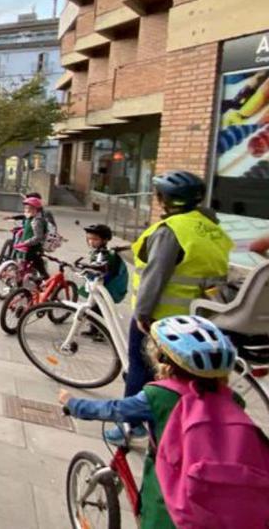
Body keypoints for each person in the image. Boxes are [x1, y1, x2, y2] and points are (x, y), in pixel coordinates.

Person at [58, 316, 245, 528]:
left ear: (165, 362)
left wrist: (73, 403)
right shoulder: (233, 399)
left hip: (172, 501)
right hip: (227, 497)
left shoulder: (160, 395)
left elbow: (113, 409)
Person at [113, 170, 234, 443]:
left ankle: (129, 427)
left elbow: (156, 275)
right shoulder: (212, 229)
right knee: (182, 379)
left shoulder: (171, 230)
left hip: (161, 318)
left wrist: (143, 314)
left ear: (166, 199)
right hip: (198, 318)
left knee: (140, 370)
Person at [83, 224, 128, 304]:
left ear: (105, 240)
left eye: (95, 239)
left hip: (111, 290)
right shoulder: (97, 252)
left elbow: (106, 274)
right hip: (103, 289)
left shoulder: (107, 255)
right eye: (89, 238)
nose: (91, 242)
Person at [13, 196, 50, 281]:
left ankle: (46, 286)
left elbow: (38, 237)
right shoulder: (29, 219)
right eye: (26, 208)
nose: (27, 210)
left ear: (36, 210)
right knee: (22, 268)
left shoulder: (37, 221)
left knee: (40, 270)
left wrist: (25, 243)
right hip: (26, 248)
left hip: (33, 249)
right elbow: (28, 230)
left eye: (30, 208)